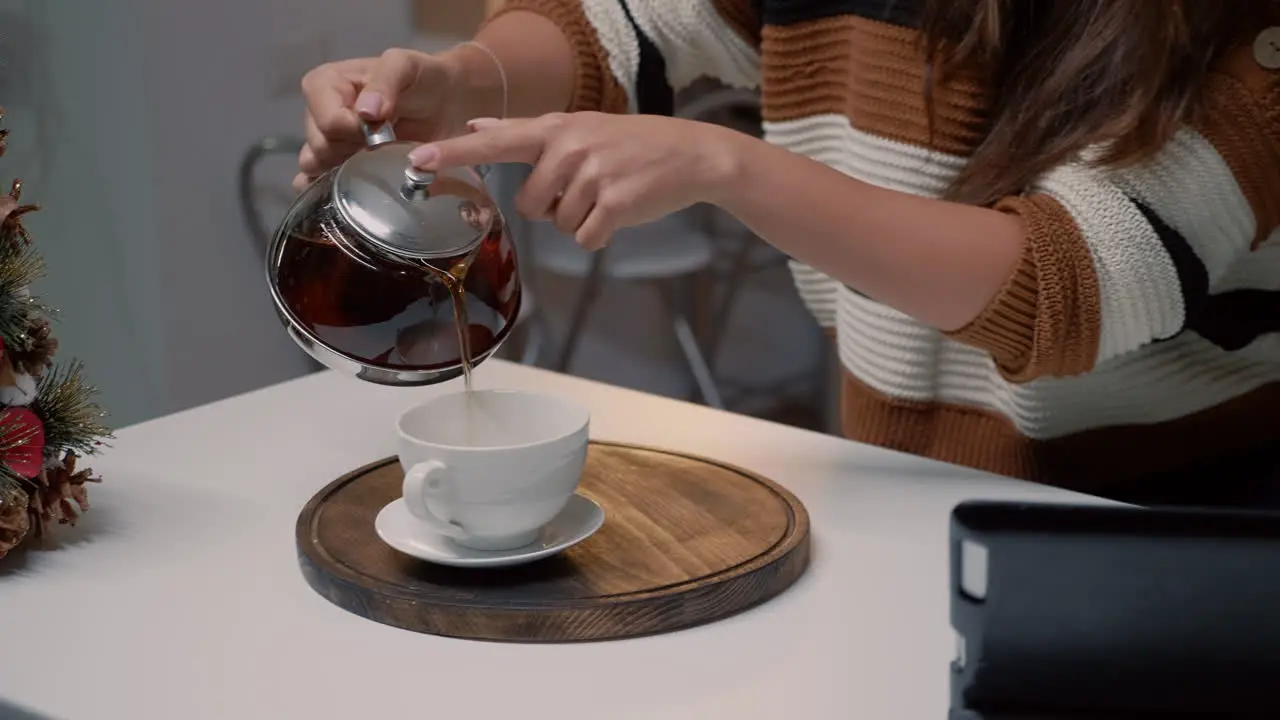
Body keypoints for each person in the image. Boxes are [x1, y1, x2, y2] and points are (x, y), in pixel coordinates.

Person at [298, 0, 1280, 507]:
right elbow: (627, 22)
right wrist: (464, 75)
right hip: (902, 486)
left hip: (1171, 526)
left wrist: (729, 165)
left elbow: (1067, 287)